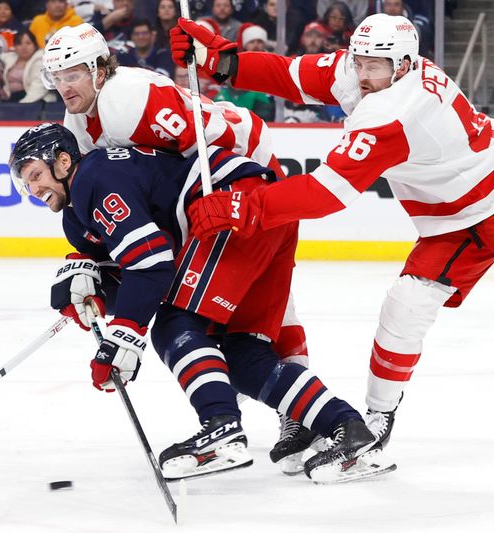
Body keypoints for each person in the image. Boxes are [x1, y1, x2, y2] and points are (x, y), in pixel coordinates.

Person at [171, 13, 494, 493]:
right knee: (404, 307)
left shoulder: (395, 110)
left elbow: (328, 192)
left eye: (378, 66)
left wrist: (245, 205)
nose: (366, 74)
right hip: (454, 216)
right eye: (361, 62)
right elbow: (292, 74)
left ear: (406, 65)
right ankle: (371, 431)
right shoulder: (364, 70)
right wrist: (225, 62)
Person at [7, 122, 395, 483]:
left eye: (36, 176)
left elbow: (152, 263)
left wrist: (125, 334)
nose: (33, 190)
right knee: (244, 357)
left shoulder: (94, 176)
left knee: (176, 326)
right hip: (255, 215)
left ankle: (221, 429)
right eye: (26, 184)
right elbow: (136, 270)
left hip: (229, 205)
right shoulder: (77, 215)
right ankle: (349, 430)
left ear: (62, 161)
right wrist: (94, 290)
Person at [40, 22, 315, 473]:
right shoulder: (80, 121)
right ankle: (284, 407)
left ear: (97, 68)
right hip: (199, 186)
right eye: (56, 76)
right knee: (243, 307)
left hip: (247, 163)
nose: (63, 85)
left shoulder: (127, 101)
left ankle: (294, 415)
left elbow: (213, 143)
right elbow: (125, 191)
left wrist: (232, 199)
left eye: (71, 73)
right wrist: (93, 257)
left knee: (271, 302)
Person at [0, 29, 54, 103]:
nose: (24, 47)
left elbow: (38, 88)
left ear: (35, 45)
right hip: (10, 98)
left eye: (28, 43)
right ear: (14, 47)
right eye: (19, 44)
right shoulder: (9, 57)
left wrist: (21, 105)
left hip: (35, 100)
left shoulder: (41, 59)